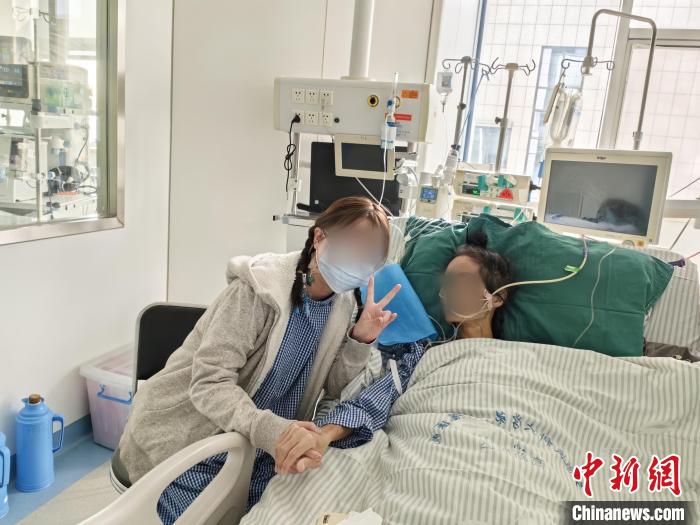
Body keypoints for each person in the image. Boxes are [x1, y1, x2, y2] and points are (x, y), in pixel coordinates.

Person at [112, 196, 403, 523]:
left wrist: (359, 339)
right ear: (319, 237)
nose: (358, 261)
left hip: (258, 446)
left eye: (369, 257)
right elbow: (209, 384)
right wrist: (272, 430)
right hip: (192, 435)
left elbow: (335, 389)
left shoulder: (343, 305)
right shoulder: (258, 289)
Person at [274, 231, 514, 474]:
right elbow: (374, 399)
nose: (449, 291)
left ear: (497, 297)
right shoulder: (425, 353)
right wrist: (323, 434)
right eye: (448, 282)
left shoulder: (525, 356)